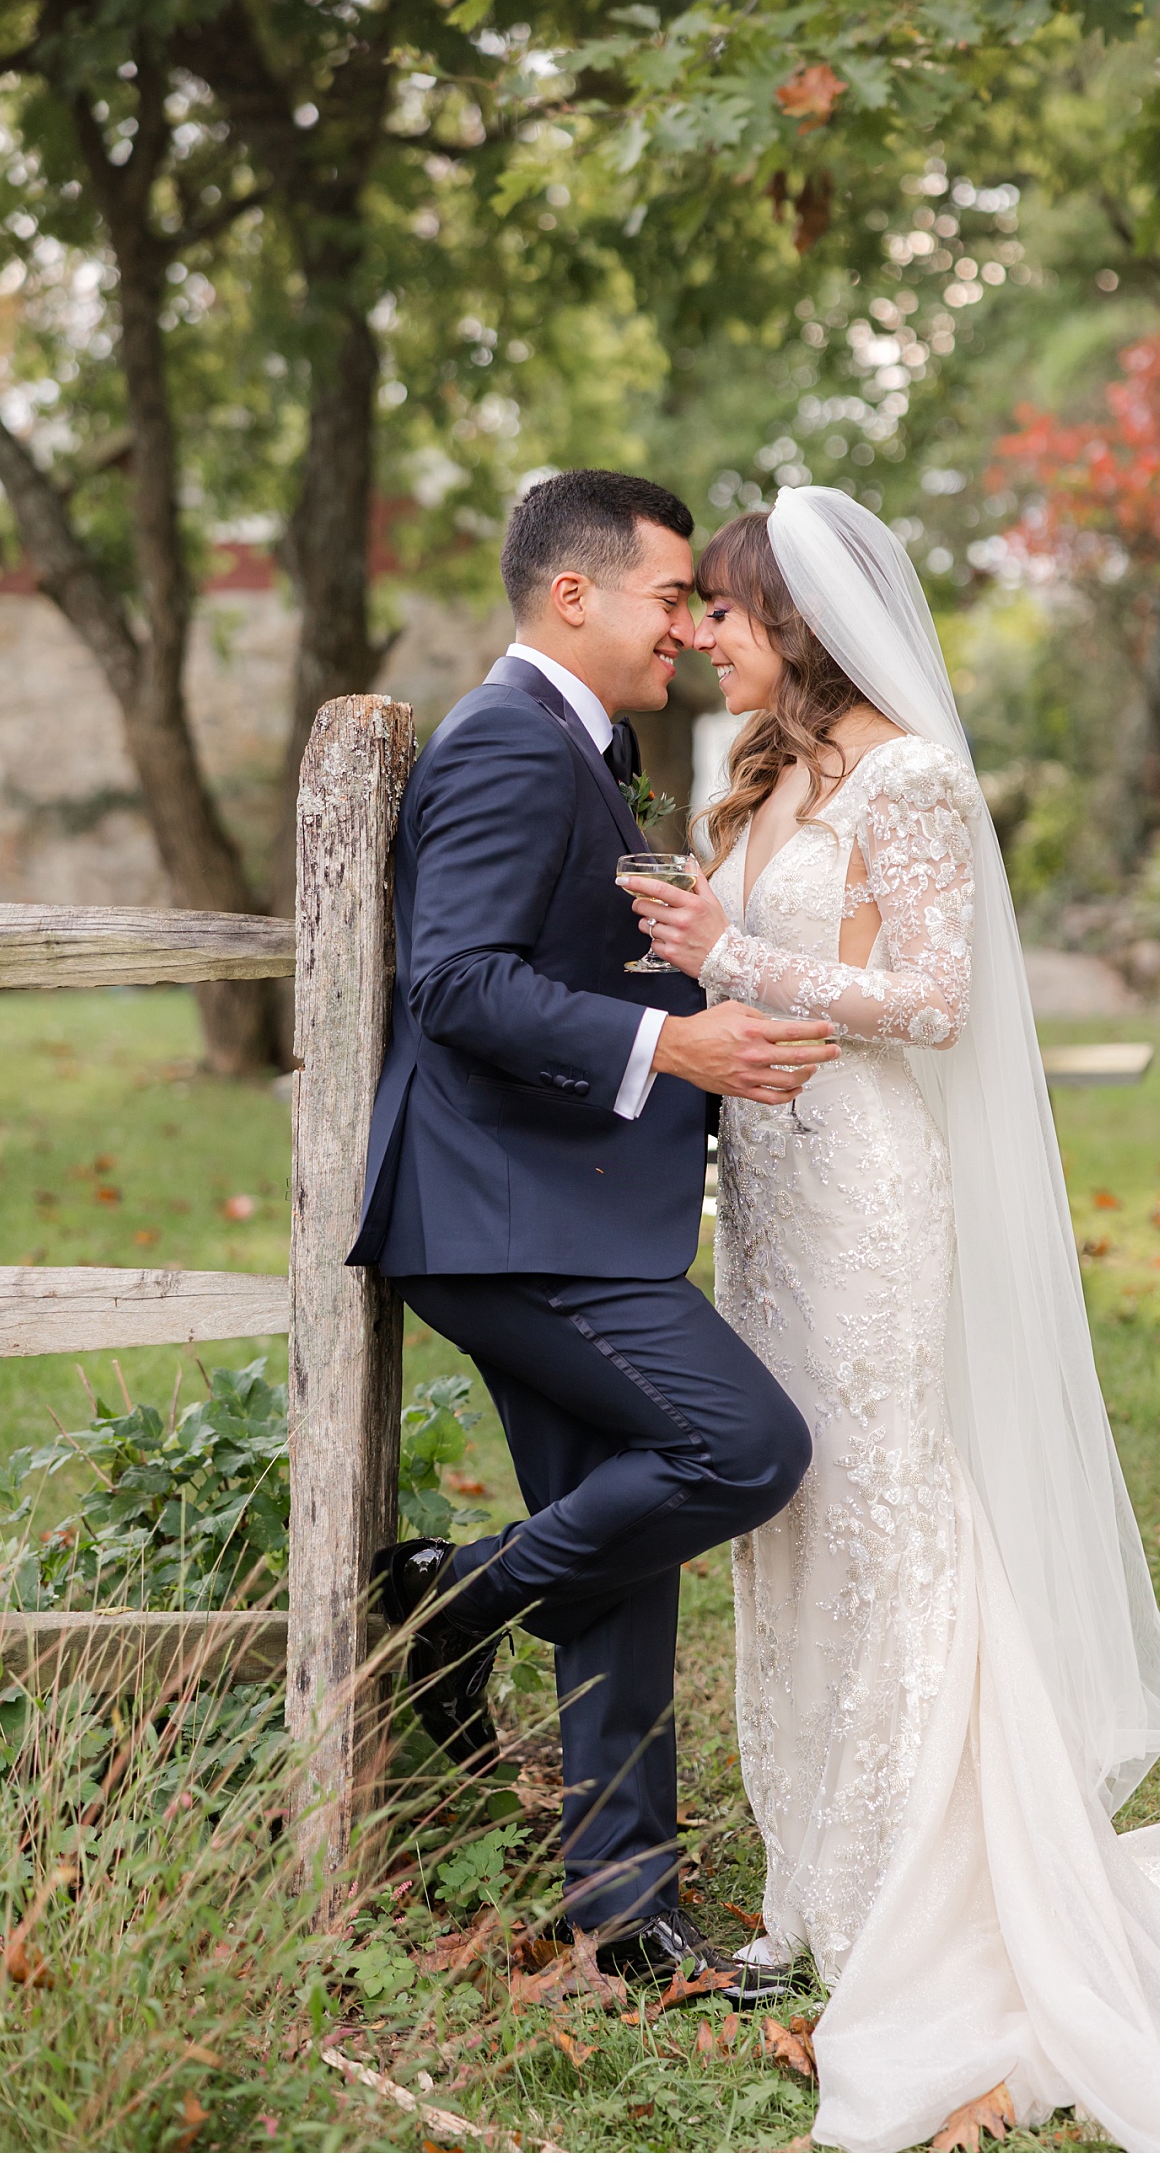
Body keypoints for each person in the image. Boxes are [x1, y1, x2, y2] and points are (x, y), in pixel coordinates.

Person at [621, 484, 1160, 2152]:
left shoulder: (917, 780)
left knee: (891, 1511)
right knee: (799, 1521)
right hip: (772, 1204)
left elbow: (931, 1003)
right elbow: (756, 971)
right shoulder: (776, 776)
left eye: (720, 607)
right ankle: (821, 1877)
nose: (701, 633)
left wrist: (741, 955)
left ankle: (920, 1895)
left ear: (789, 621)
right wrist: (697, 956)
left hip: (866, 1191)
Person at [349, 469, 837, 2004]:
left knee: (629, 1534)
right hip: (504, 1225)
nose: (691, 627)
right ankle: (449, 1605)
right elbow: (459, 982)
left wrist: (692, 992)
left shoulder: (579, 744)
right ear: (576, 596)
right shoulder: (506, 743)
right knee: (742, 1449)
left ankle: (624, 1907)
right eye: (671, 597)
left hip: (564, 1211)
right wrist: (673, 1054)